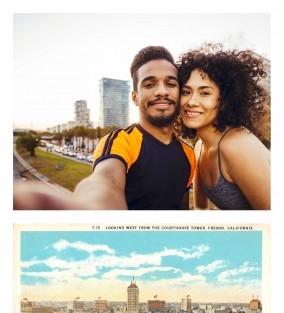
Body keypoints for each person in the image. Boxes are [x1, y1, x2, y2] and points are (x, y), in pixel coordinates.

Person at [14, 46, 196, 210]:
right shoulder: (120, 141)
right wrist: (90, 210)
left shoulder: (189, 154)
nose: (162, 91)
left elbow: (180, 208)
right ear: (135, 97)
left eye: (171, 83)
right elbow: (104, 181)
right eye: (149, 84)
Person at [176, 45, 271, 210]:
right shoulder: (199, 148)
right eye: (186, 92)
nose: (191, 101)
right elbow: (201, 210)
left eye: (205, 93)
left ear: (224, 100)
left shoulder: (239, 145)